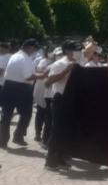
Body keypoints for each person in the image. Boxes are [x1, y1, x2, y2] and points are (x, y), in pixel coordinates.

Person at [43, 42, 81, 170]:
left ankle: (60, 157)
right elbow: (50, 80)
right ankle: (50, 160)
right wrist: (67, 70)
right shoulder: (59, 63)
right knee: (57, 131)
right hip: (60, 100)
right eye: (72, 50)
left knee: (66, 131)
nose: (75, 52)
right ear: (66, 51)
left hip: (71, 100)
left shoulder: (76, 64)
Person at [0, 39, 40, 149]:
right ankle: (18, 136)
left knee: (6, 115)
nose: (34, 50)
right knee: (26, 114)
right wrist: (42, 76)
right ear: (30, 48)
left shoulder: (15, 56)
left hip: (8, 86)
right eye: (34, 48)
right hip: (22, 88)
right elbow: (27, 76)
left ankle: (2, 140)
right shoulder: (25, 58)